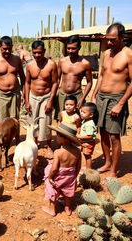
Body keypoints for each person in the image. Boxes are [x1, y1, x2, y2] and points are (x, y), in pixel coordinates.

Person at [91, 23, 132, 177]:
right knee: (103, 132)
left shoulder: (128, 54)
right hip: (101, 97)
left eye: (113, 40)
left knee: (114, 135)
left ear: (122, 37)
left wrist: (120, 104)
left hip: (116, 99)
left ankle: (114, 171)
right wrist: (94, 95)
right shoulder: (106, 53)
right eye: (107, 39)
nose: (109, 43)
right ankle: (107, 163)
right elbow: (102, 75)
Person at [24, 40, 58, 158]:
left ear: (44, 51)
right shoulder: (29, 65)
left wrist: (50, 100)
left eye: (39, 52)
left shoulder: (51, 64)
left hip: (46, 96)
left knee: (46, 121)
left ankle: (49, 146)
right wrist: (27, 100)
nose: (37, 55)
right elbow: (27, 83)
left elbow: (55, 83)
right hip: (33, 96)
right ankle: (34, 143)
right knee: (32, 121)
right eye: (35, 53)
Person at [42, 123, 81, 217]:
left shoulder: (58, 152)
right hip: (70, 176)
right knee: (68, 191)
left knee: (51, 187)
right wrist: (74, 177)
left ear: (65, 138)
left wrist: (50, 177)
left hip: (58, 176)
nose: (56, 137)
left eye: (58, 135)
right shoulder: (77, 151)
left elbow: (54, 168)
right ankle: (67, 208)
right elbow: (78, 166)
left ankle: (52, 209)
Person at [0, 36, 25, 121]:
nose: (7, 51)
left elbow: (22, 77)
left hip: (15, 93)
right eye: (4, 49)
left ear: (12, 46)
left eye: (9, 48)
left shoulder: (17, 60)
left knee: (15, 119)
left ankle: (16, 135)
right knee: (4, 120)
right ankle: (5, 135)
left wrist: (24, 93)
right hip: (2, 94)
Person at [55, 35, 92, 120]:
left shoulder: (85, 64)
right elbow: (57, 79)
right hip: (62, 95)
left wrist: (83, 98)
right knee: (60, 118)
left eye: (73, 48)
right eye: (68, 48)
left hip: (77, 95)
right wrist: (54, 94)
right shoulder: (62, 61)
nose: (70, 51)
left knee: (77, 119)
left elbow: (89, 82)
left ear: (79, 47)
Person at [76, 102, 98, 169]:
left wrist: (79, 136)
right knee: (86, 155)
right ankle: (87, 166)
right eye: (81, 111)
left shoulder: (89, 124)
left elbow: (89, 136)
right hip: (86, 142)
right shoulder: (86, 120)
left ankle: (88, 169)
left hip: (88, 143)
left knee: (87, 156)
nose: (81, 113)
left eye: (84, 112)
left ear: (91, 114)